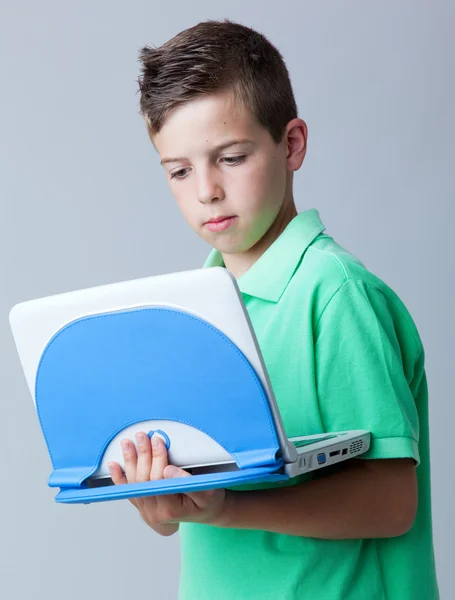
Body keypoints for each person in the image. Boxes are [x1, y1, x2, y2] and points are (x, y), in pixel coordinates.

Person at [108, 19, 439, 600]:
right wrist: (157, 502)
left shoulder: (335, 294)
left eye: (231, 158)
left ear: (291, 145)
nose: (206, 189)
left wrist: (224, 509)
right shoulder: (196, 311)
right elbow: (182, 514)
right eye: (180, 171)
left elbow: (392, 503)